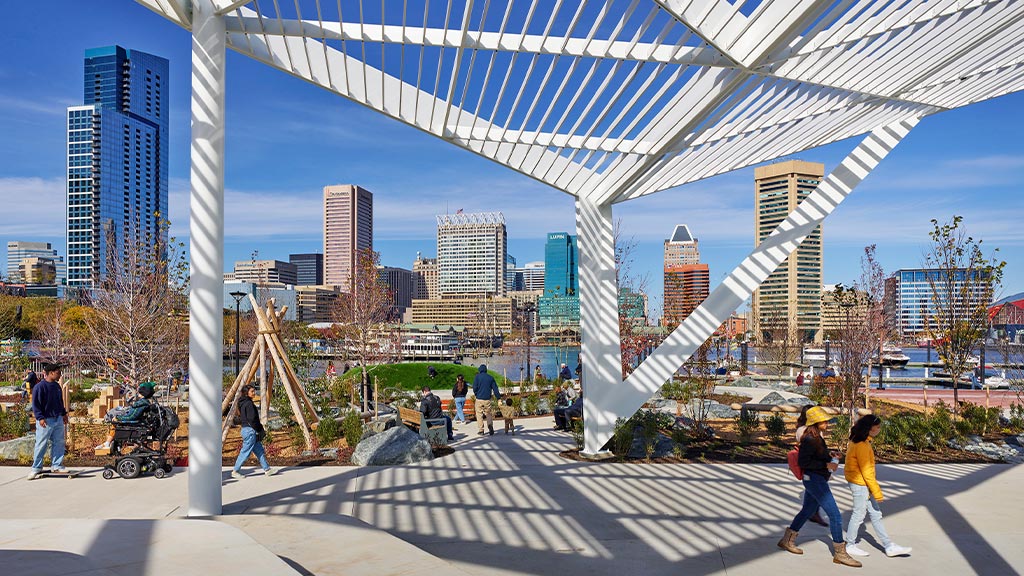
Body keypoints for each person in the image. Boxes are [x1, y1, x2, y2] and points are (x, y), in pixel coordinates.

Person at [778, 406, 860, 567]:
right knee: (835, 516)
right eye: (824, 421)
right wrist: (827, 465)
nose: (827, 423)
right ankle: (840, 553)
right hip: (815, 480)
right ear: (816, 422)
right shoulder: (809, 439)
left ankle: (787, 540)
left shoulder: (816, 437)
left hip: (815, 479)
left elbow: (817, 456)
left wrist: (830, 456)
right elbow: (804, 462)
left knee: (808, 511)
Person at [844, 414, 913, 558]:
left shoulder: (860, 441)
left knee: (875, 514)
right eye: (878, 427)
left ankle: (889, 546)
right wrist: (877, 491)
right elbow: (867, 471)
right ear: (870, 429)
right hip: (860, 484)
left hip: (862, 483)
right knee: (859, 514)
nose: (879, 429)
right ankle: (850, 545)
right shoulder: (862, 445)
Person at [28, 363, 69, 480]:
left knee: (59, 442)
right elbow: (36, 404)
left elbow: (60, 402)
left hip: (58, 418)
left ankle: (57, 465)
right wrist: (40, 417)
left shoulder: (57, 386)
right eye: (58, 373)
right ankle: (36, 468)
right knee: (41, 443)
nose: (60, 375)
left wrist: (63, 414)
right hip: (46, 420)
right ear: (51, 373)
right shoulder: (39, 387)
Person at [231, 384, 276, 479]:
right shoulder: (249, 404)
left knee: (259, 450)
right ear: (246, 393)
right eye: (252, 391)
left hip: (247, 430)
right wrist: (259, 429)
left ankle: (267, 469)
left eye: (254, 391)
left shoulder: (243, 403)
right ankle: (235, 471)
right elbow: (252, 420)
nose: (254, 392)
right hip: (250, 431)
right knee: (245, 452)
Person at [96, 381, 157, 450]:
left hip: (134, 423)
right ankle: (109, 443)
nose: (138, 393)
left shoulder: (141, 404)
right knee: (115, 421)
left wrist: (118, 418)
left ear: (143, 393)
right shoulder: (144, 403)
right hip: (138, 421)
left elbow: (131, 417)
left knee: (115, 423)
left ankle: (108, 443)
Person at [796, 405, 829, 527]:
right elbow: (807, 456)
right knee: (834, 514)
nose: (826, 422)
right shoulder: (807, 434)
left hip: (817, 471)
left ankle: (813, 514)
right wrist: (825, 463)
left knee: (809, 502)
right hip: (814, 471)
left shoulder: (815, 432)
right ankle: (813, 514)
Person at [472, 364, 501, 436]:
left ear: (479, 370)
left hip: (479, 399)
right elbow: (495, 389)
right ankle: (490, 425)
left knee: (479, 414)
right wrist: (498, 398)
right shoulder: (490, 378)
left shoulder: (477, 377)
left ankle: (481, 430)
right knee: (488, 414)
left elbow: (474, 387)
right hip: (487, 399)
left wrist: (476, 394)